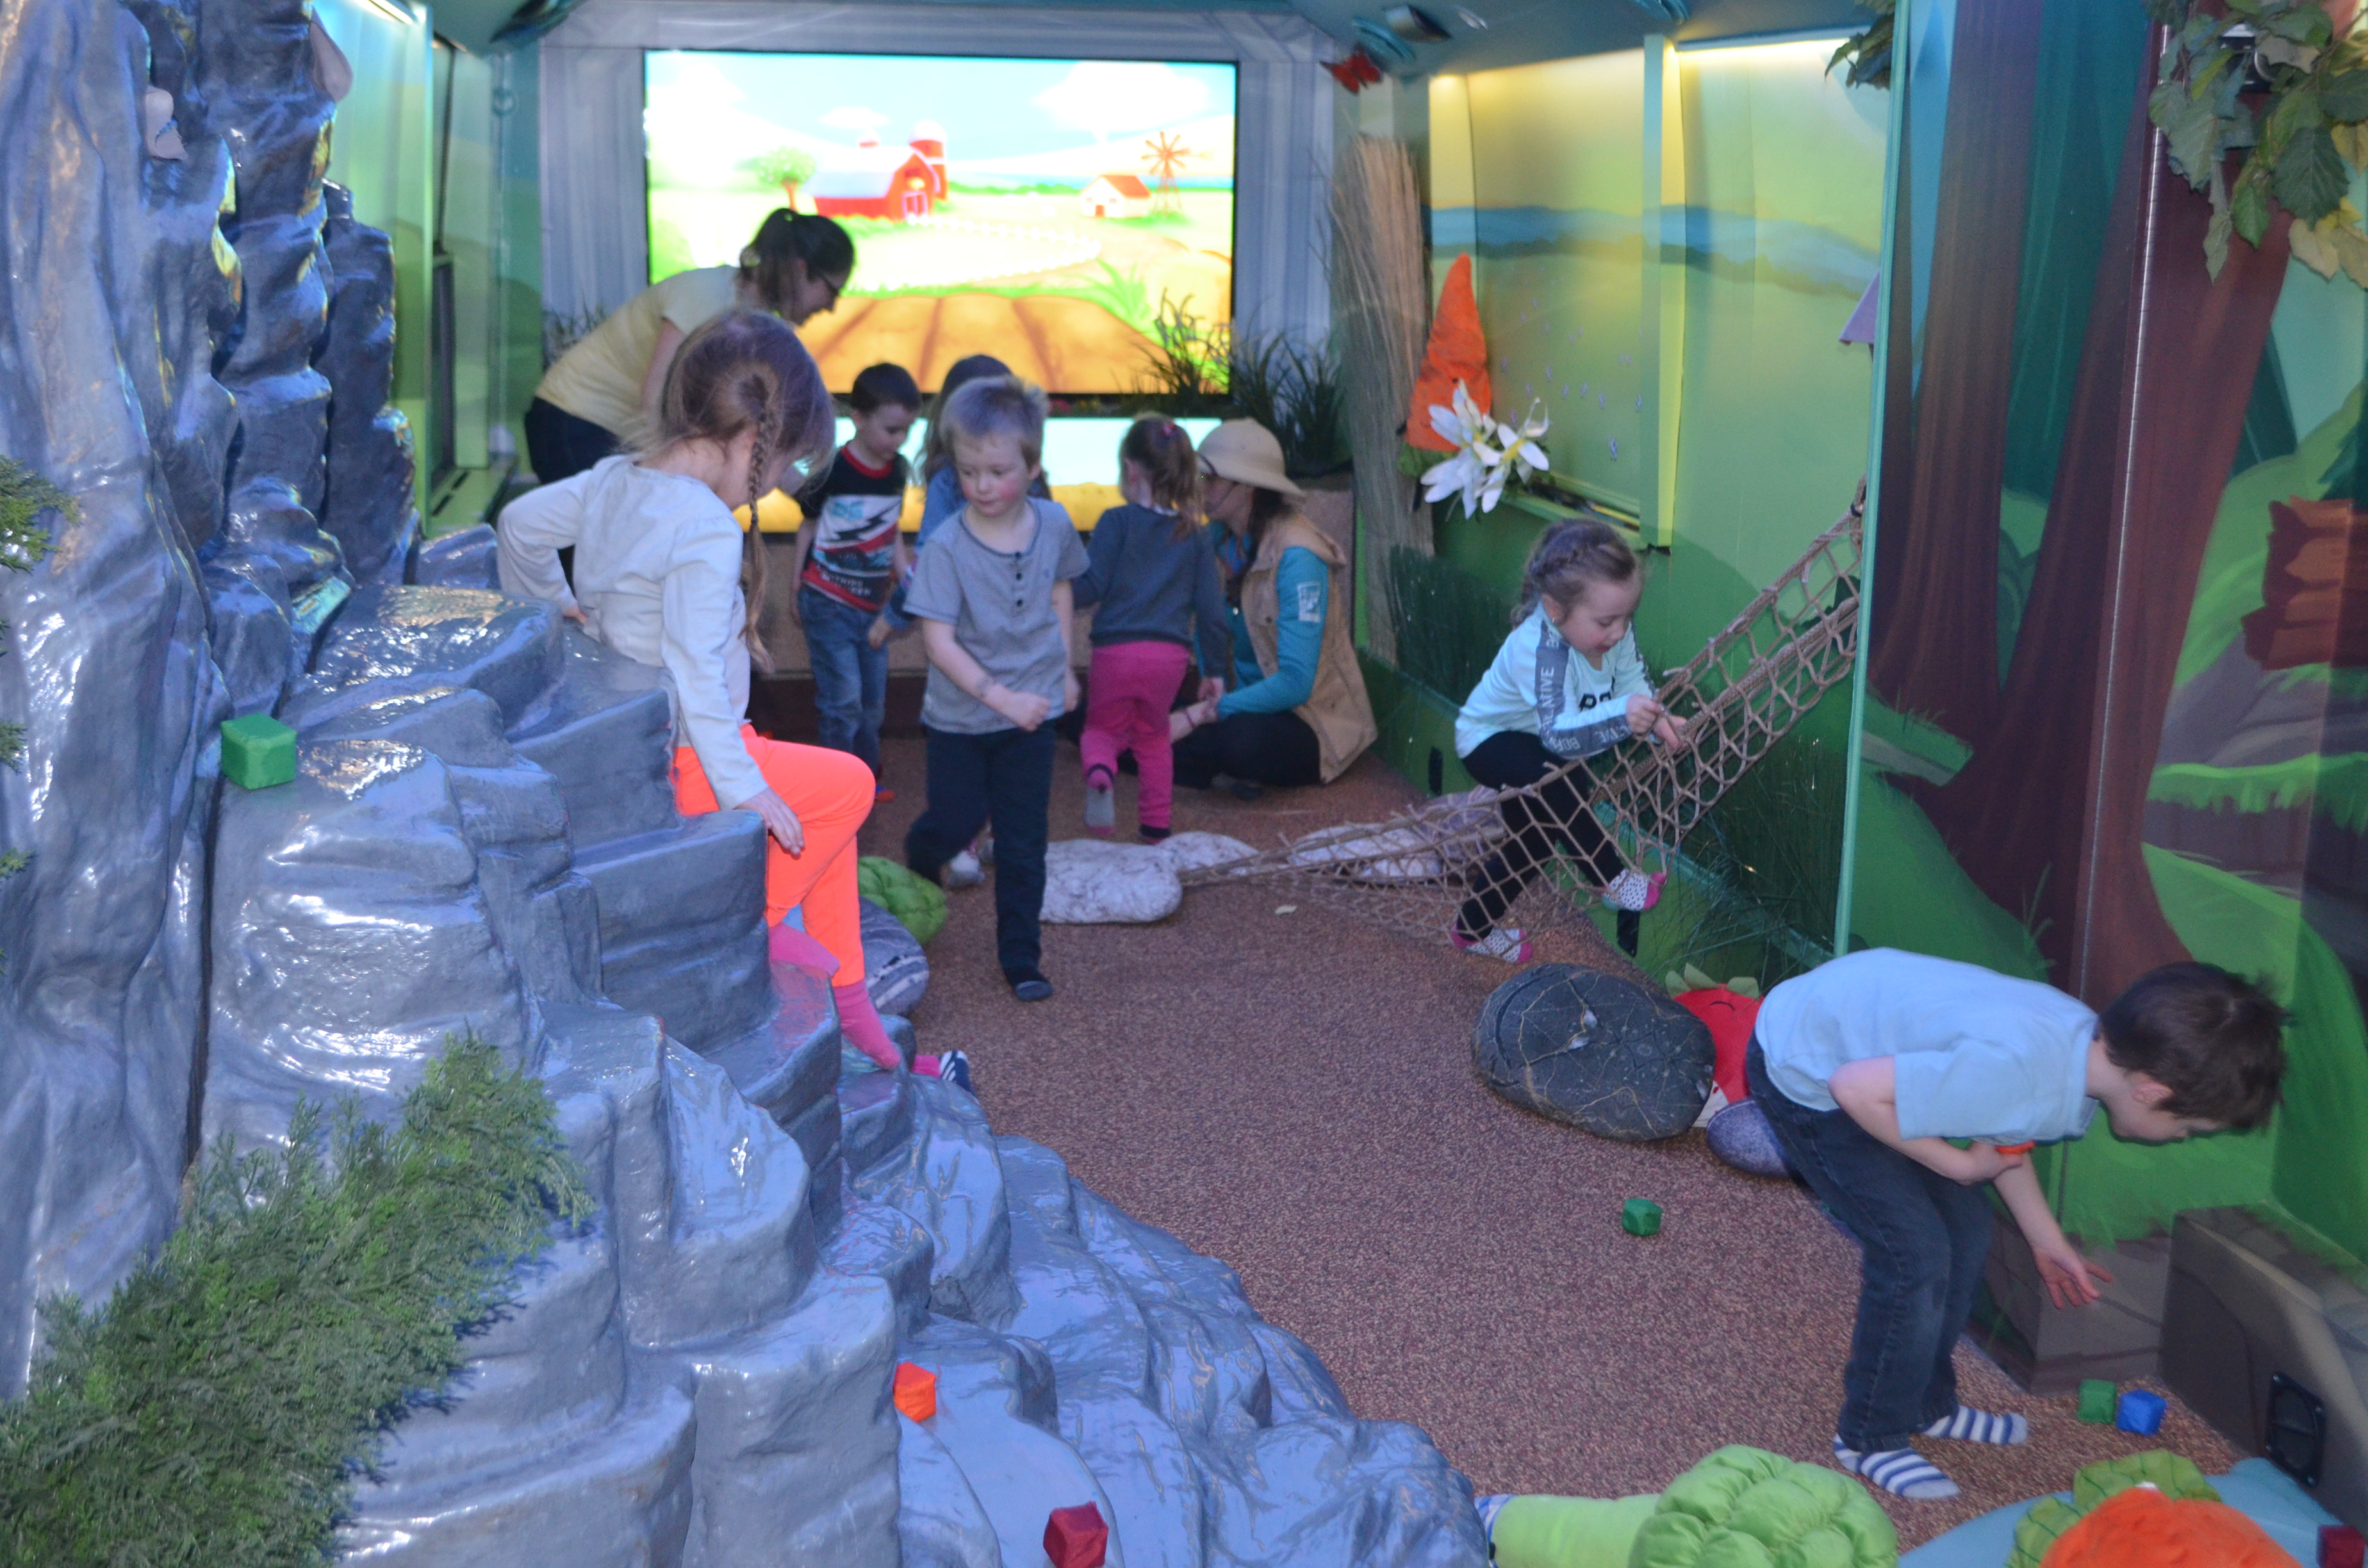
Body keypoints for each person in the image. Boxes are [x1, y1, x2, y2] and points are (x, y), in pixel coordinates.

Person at [496, 312, 963, 1087]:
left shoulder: (614, 480)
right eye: (786, 461)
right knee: (849, 784)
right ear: (753, 440)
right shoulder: (705, 527)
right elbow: (694, 671)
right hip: (692, 758)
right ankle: (742, 928)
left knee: (827, 838)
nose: (780, 482)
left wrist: (559, 609)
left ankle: (854, 1011)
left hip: (653, 751)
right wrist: (746, 789)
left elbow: (518, 526)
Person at [1749, 950, 2285, 1500]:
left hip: (1858, 1056)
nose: (2182, 1138)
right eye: (2188, 1128)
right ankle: (1869, 1435)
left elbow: (2006, 1129)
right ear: (2152, 1092)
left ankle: (1927, 1404)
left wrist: (2045, 1238)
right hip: (1805, 1075)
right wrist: (1957, 1165)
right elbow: (1854, 1089)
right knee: (1917, 1254)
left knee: (1967, 1227)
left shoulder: (2078, 1050)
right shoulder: (2022, 1070)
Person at [899, 375, 1086, 1003]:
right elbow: (938, 643)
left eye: (998, 472)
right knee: (955, 822)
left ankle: (1021, 956)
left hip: (1030, 718)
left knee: (1023, 837)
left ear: (1033, 468)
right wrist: (1002, 698)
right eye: (969, 471)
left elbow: (1060, 590)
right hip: (960, 720)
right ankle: (921, 855)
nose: (982, 486)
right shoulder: (947, 547)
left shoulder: (1054, 524)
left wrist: (1063, 669)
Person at [1449, 519, 1684, 963]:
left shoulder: (1611, 632)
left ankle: (1473, 929)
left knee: (1534, 840)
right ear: (1555, 610)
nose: (1619, 632)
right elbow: (1561, 734)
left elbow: (1631, 679)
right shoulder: (1540, 649)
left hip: (1538, 740)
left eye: (1627, 617)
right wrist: (1623, 715)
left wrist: (1658, 718)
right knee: (1560, 780)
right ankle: (1609, 877)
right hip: (1489, 739)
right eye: (1607, 622)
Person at [873, 352, 1048, 888]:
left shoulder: (958, 481)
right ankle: (972, 836)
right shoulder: (965, 481)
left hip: (989, 636)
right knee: (987, 739)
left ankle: (974, 838)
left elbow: (930, 559)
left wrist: (890, 617)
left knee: (988, 738)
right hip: (992, 638)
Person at [525, 210, 854, 485]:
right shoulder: (707, 295)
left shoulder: (752, 319)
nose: (831, 307)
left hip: (603, 433)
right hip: (573, 422)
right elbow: (653, 400)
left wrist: (811, 493)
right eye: (832, 291)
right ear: (800, 269)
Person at [1171, 420, 1376, 797]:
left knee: (1237, 743)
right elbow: (1205, 627)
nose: (1201, 489)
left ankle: (1177, 756)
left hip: (1308, 720)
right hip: (1240, 703)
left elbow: (1296, 683)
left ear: (1247, 486)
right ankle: (1178, 755)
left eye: (1210, 480)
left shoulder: (1298, 556)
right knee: (1133, 708)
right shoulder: (1216, 541)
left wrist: (1202, 714)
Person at [1070, 416, 1230, 842]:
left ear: (1130, 470)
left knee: (1101, 730)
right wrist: (1215, 671)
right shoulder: (1196, 535)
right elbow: (1212, 612)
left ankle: (1100, 772)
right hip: (1169, 660)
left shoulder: (1116, 522)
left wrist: (1055, 591)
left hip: (1116, 653)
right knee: (1155, 739)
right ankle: (1157, 828)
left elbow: (1091, 586)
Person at [788, 361, 920, 794]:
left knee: (872, 705)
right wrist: (796, 582)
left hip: (872, 608)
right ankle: (838, 787)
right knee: (843, 702)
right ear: (859, 418)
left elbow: (890, 528)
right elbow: (809, 525)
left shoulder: (898, 471)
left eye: (907, 431)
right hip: (826, 601)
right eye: (891, 429)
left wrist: (905, 573)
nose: (899, 440)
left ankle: (865, 780)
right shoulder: (833, 468)